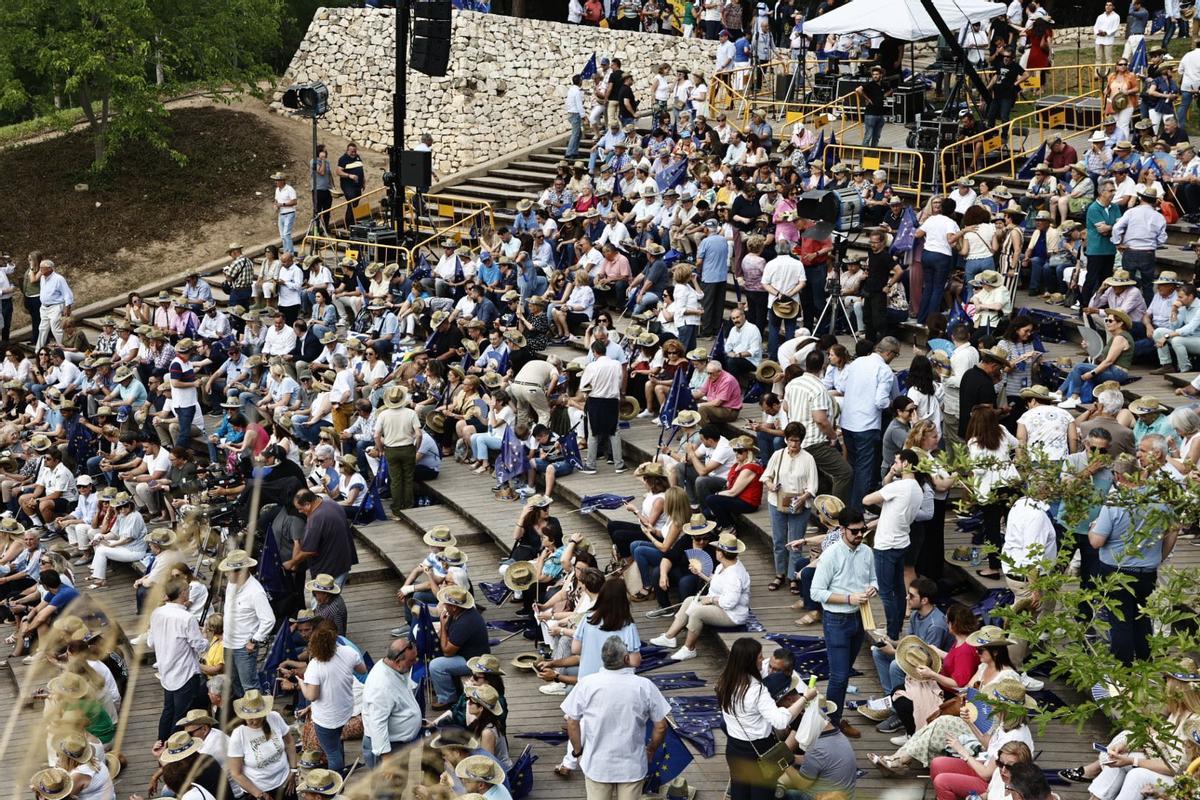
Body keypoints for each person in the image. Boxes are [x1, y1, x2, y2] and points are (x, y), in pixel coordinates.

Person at [1089, 451, 1178, 664]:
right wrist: (1160, 556)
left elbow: (1096, 542)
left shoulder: (1115, 502)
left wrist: (1093, 528)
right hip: (1147, 570)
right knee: (1142, 617)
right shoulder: (1158, 499)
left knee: (1120, 621)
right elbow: (1174, 529)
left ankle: (1124, 670)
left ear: (1118, 476)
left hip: (1117, 570)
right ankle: (1145, 663)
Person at [562, 635, 670, 800]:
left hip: (597, 763)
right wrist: (651, 749)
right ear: (626, 658)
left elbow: (572, 721)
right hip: (631, 765)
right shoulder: (644, 685)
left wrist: (577, 752)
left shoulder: (587, 684)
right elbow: (661, 725)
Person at [718, 636, 823, 800]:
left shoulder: (724, 681)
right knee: (762, 795)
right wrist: (805, 699)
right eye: (760, 657)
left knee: (739, 793)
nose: (763, 660)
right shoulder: (756, 690)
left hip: (734, 747)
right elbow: (780, 721)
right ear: (750, 661)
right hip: (759, 750)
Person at [810, 508, 877, 738]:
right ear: (842, 530)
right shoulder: (831, 555)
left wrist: (872, 588)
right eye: (855, 531)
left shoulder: (867, 552)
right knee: (839, 676)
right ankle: (831, 722)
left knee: (844, 673)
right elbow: (816, 592)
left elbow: (873, 579)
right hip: (836, 619)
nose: (860, 535)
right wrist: (848, 598)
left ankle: (833, 718)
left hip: (859, 616)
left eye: (862, 530)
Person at [649, 531, 750, 661]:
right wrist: (700, 573)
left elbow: (729, 603)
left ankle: (689, 648)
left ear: (720, 553)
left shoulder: (734, 575)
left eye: (717, 549)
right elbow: (715, 581)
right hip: (720, 605)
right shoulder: (723, 565)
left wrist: (711, 599)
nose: (715, 551)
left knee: (697, 612)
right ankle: (669, 637)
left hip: (732, 615)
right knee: (689, 600)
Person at [835, 336, 900, 509]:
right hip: (867, 424)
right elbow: (880, 402)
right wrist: (892, 404)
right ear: (888, 353)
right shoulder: (884, 370)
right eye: (895, 355)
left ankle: (849, 505)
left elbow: (841, 386)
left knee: (853, 466)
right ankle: (858, 509)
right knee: (864, 470)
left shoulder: (857, 362)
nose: (894, 358)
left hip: (848, 422)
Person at [145, 576, 208, 746]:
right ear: (182, 593)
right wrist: (206, 637)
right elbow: (199, 646)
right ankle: (173, 748)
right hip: (185, 673)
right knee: (181, 716)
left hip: (166, 671)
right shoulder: (186, 618)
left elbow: (150, 642)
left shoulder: (157, 613)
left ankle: (160, 742)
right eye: (187, 590)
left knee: (168, 710)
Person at [300, 620, 366, 773]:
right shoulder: (348, 652)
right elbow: (362, 670)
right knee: (337, 742)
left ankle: (337, 782)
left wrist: (302, 683)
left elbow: (312, 695)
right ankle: (340, 764)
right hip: (346, 710)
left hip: (326, 718)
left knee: (332, 753)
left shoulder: (315, 666)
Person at [228, 689, 299, 800]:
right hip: (259, 791)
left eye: (258, 717)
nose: (255, 721)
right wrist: (259, 794)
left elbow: (289, 742)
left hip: (285, 782)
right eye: (250, 718)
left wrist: (293, 770)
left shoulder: (274, 717)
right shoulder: (238, 735)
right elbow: (236, 773)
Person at [361, 637, 421, 768]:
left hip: (399, 745)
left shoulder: (395, 668)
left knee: (398, 786)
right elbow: (377, 723)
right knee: (388, 788)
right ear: (398, 661)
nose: (415, 662)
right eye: (411, 660)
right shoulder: (381, 686)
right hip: (389, 749)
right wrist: (387, 758)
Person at [429, 585, 491, 710]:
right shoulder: (459, 613)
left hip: (473, 661)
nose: (444, 606)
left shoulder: (465, 622)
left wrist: (442, 623)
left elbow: (447, 652)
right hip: (464, 653)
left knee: (436, 666)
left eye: (446, 604)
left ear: (453, 607)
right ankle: (441, 686)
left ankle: (448, 698)